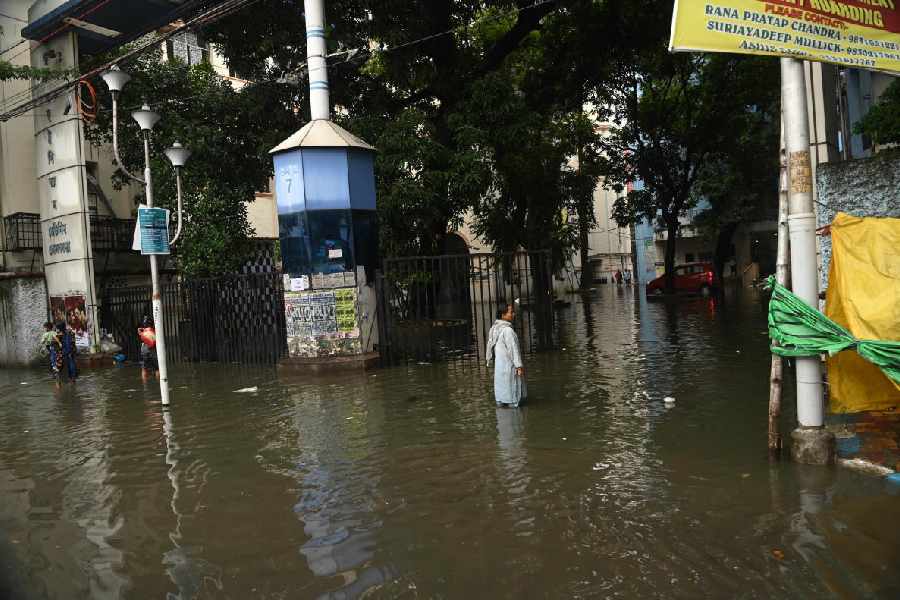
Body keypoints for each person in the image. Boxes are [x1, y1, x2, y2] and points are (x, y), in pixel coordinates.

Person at [486, 302, 526, 408]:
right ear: (503, 315)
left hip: (500, 369)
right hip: (509, 367)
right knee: (513, 399)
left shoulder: (494, 328)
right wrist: (519, 366)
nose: (514, 314)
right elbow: (514, 350)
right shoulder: (508, 330)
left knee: (501, 399)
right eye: (511, 312)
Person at [138, 316, 159, 382]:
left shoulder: (142, 332)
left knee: (144, 368)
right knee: (157, 368)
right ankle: (159, 382)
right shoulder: (154, 331)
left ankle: (144, 384)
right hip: (152, 349)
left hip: (144, 349)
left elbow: (140, 334)